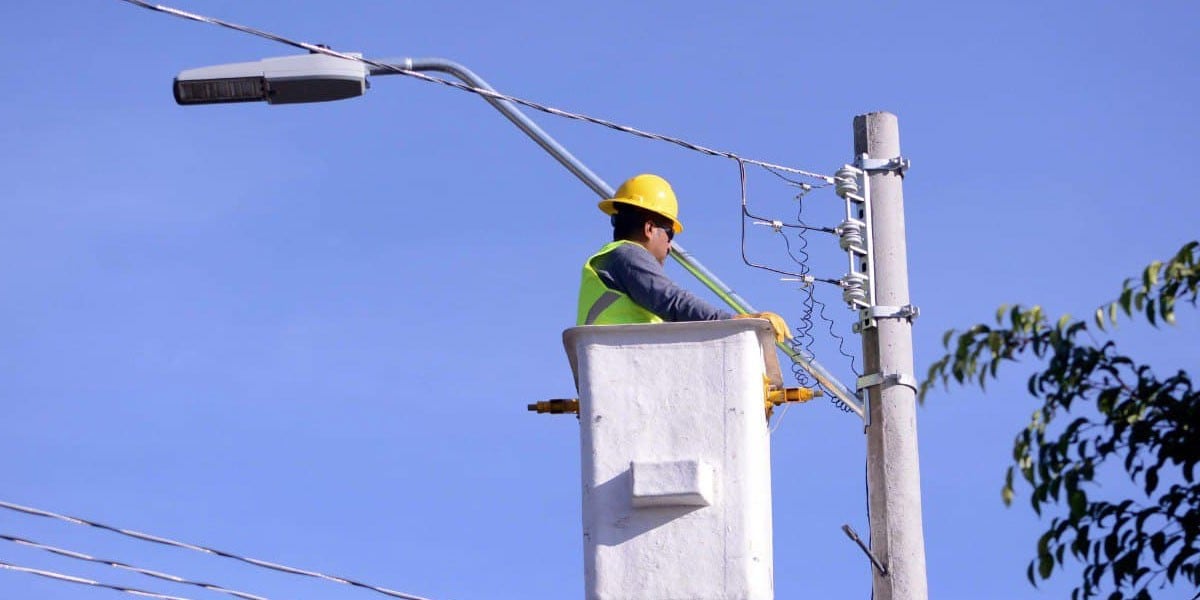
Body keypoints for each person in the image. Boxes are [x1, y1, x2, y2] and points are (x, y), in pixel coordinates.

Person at [576, 173, 791, 342]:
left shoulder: (612, 260)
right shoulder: (626, 255)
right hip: (621, 368)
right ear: (649, 228)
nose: (670, 247)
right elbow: (673, 301)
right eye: (670, 234)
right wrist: (734, 322)